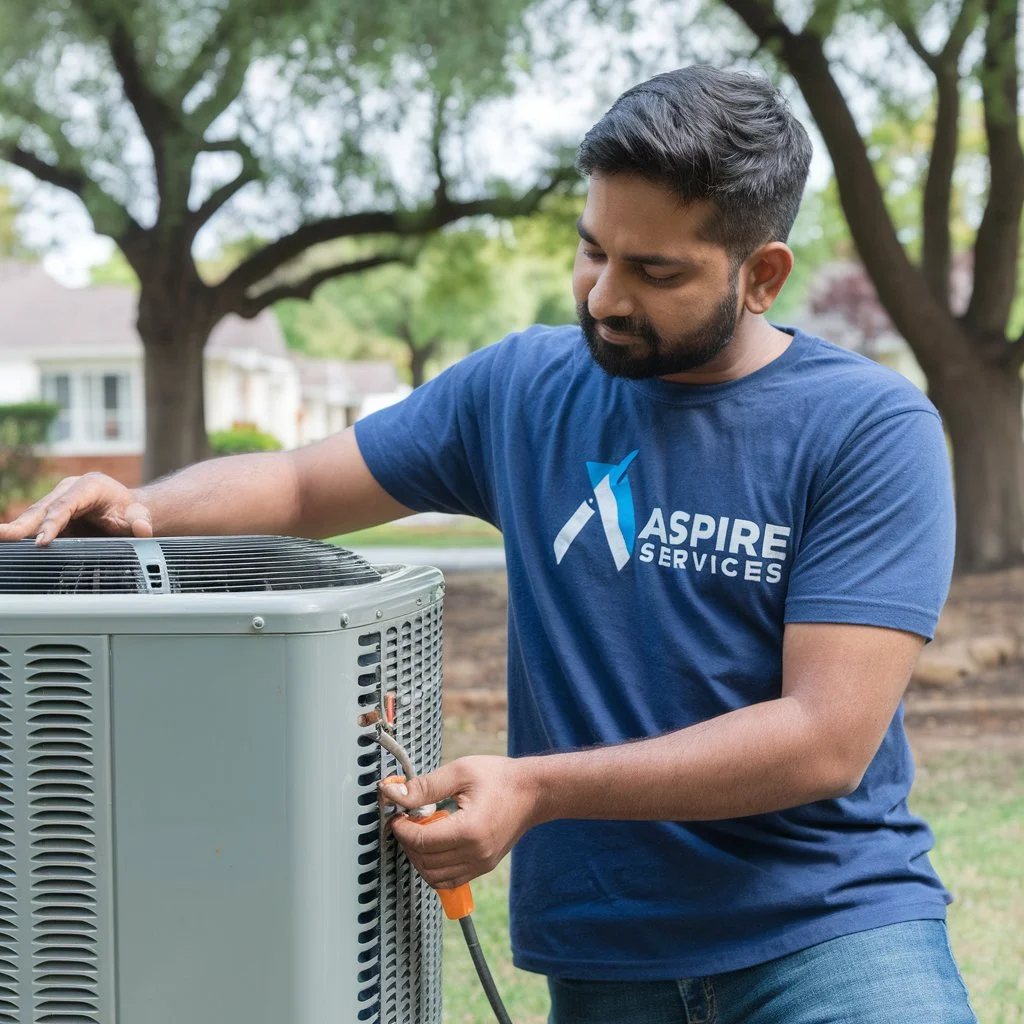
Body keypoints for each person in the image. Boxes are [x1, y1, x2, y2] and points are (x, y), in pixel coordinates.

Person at [0, 65, 976, 1023]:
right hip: (606, 952)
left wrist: (536, 786)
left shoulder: (867, 428)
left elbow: (822, 738)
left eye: (654, 271)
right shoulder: (523, 389)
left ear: (761, 275)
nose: (602, 297)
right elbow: (301, 482)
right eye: (594, 250)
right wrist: (142, 508)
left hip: (831, 932)